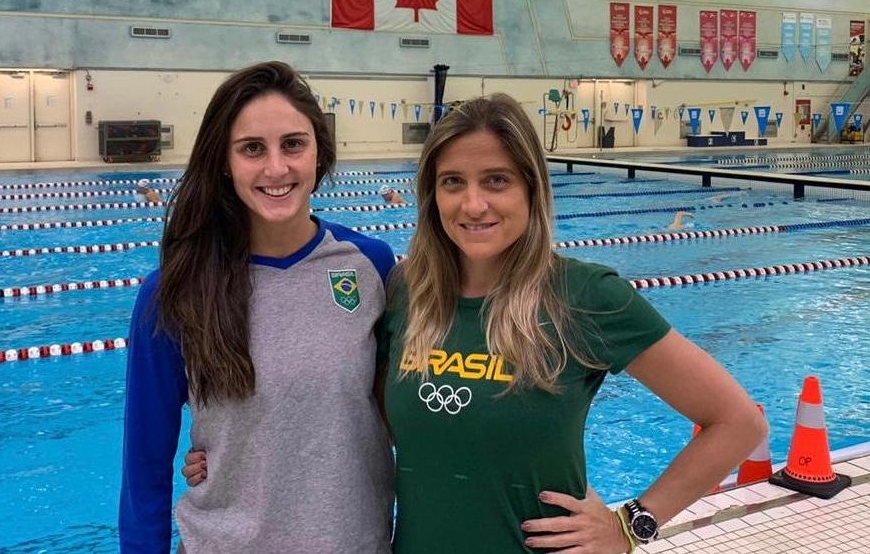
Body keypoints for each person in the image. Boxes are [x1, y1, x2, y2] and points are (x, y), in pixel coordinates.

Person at [182, 93, 766, 553]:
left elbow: (737, 422)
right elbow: (355, 412)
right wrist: (236, 455)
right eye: (453, 182)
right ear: (432, 195)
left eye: (496, 180)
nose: (473, 204)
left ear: (532, 188)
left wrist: (631, 525)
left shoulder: (586, 296)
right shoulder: (406, 293)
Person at [118, 61, 394, 553]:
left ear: (319, 153)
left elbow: (422, 413)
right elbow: (145, 466)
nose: (276, 168)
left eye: (293, 144)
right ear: (224, 162)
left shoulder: (371, 266)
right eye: (251, 149)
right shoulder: (175, 291)